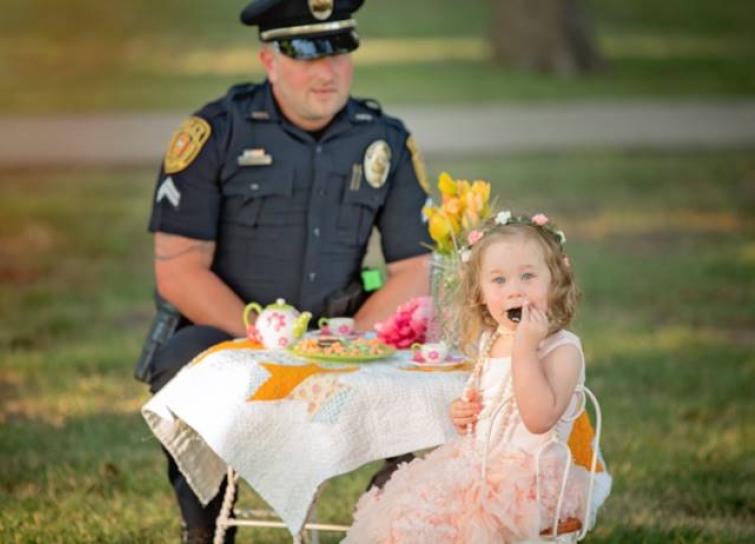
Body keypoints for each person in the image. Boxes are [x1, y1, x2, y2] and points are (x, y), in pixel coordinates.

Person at [140, 0, 432, 541]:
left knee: (441, 385)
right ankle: (205, 529)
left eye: (339, 52)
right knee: (178, 364)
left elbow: (414, 267)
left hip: (342, 333)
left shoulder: (384, 140)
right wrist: (264, 339)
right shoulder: (216, 133)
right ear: (269, 60)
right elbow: (179, 271)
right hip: (231, 333)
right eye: (306, 54)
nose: (327, 71)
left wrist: (351, 344)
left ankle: (378, 526)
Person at [343, 212, 612, 543]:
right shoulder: (492, 338)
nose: (514, 290)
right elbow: (493, 402)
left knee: (452, 524)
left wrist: (525, 348)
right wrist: (463, 411)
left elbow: (539, 418)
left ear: (555, 281)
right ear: (481, 292)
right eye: (498, 281)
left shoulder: (562, 349)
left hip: (527, 484)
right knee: (402, 514)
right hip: (475, 466)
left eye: (527, 276)